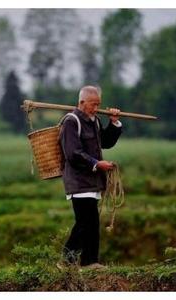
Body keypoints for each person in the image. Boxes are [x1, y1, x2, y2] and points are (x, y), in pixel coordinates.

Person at [58, 85, 122, 270]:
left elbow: (106, 142)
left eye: (98, 105)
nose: (96, 108)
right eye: (93, 105)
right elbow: (73, 153)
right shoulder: (71, 121)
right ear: (82, 102)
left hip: (92, 181)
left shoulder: (94, 121)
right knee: (85, 221)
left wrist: (114, 122)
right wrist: (96, 163)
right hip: (78, 181)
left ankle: (89, 262)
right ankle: (66, 260)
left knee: (91, 222)